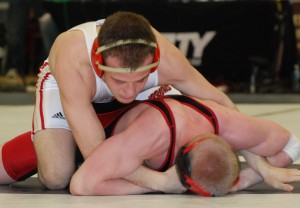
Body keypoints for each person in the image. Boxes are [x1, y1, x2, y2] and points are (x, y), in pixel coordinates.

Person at [1, 10, 237, 190]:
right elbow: (98, 154)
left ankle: (80, 137)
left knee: (178, 131)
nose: (129, 92)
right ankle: (60, 142)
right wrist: (161, 183)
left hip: (115, 93)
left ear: (152, 63)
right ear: (97, 63)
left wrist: (260, 161)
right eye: (120, 81)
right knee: (56, 176)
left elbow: (220, 103)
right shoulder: (74, 63)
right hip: (68, 87)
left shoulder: (167, 59)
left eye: (140, 79)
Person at [2, 91, 299, 194]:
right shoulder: (147, 137)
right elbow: (84, 184)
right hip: (95, 124)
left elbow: (293, 143)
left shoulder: (226, 122)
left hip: (140, 103)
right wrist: (160, 183)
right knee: (54, 175)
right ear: (187, 183)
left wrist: (253, 174)